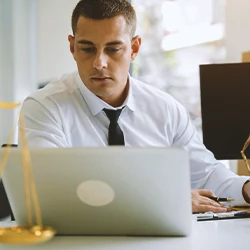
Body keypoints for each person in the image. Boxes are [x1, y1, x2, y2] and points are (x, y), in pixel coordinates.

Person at [20, 0, 250, 213]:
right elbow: (51, 188)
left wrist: (246, 189)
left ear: (135, 48)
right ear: (72, 47)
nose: (99, 63)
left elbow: (207, 174)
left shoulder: (165, 109)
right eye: (88, 48)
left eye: (113, 49)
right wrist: (167, 198)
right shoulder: (44, 108)